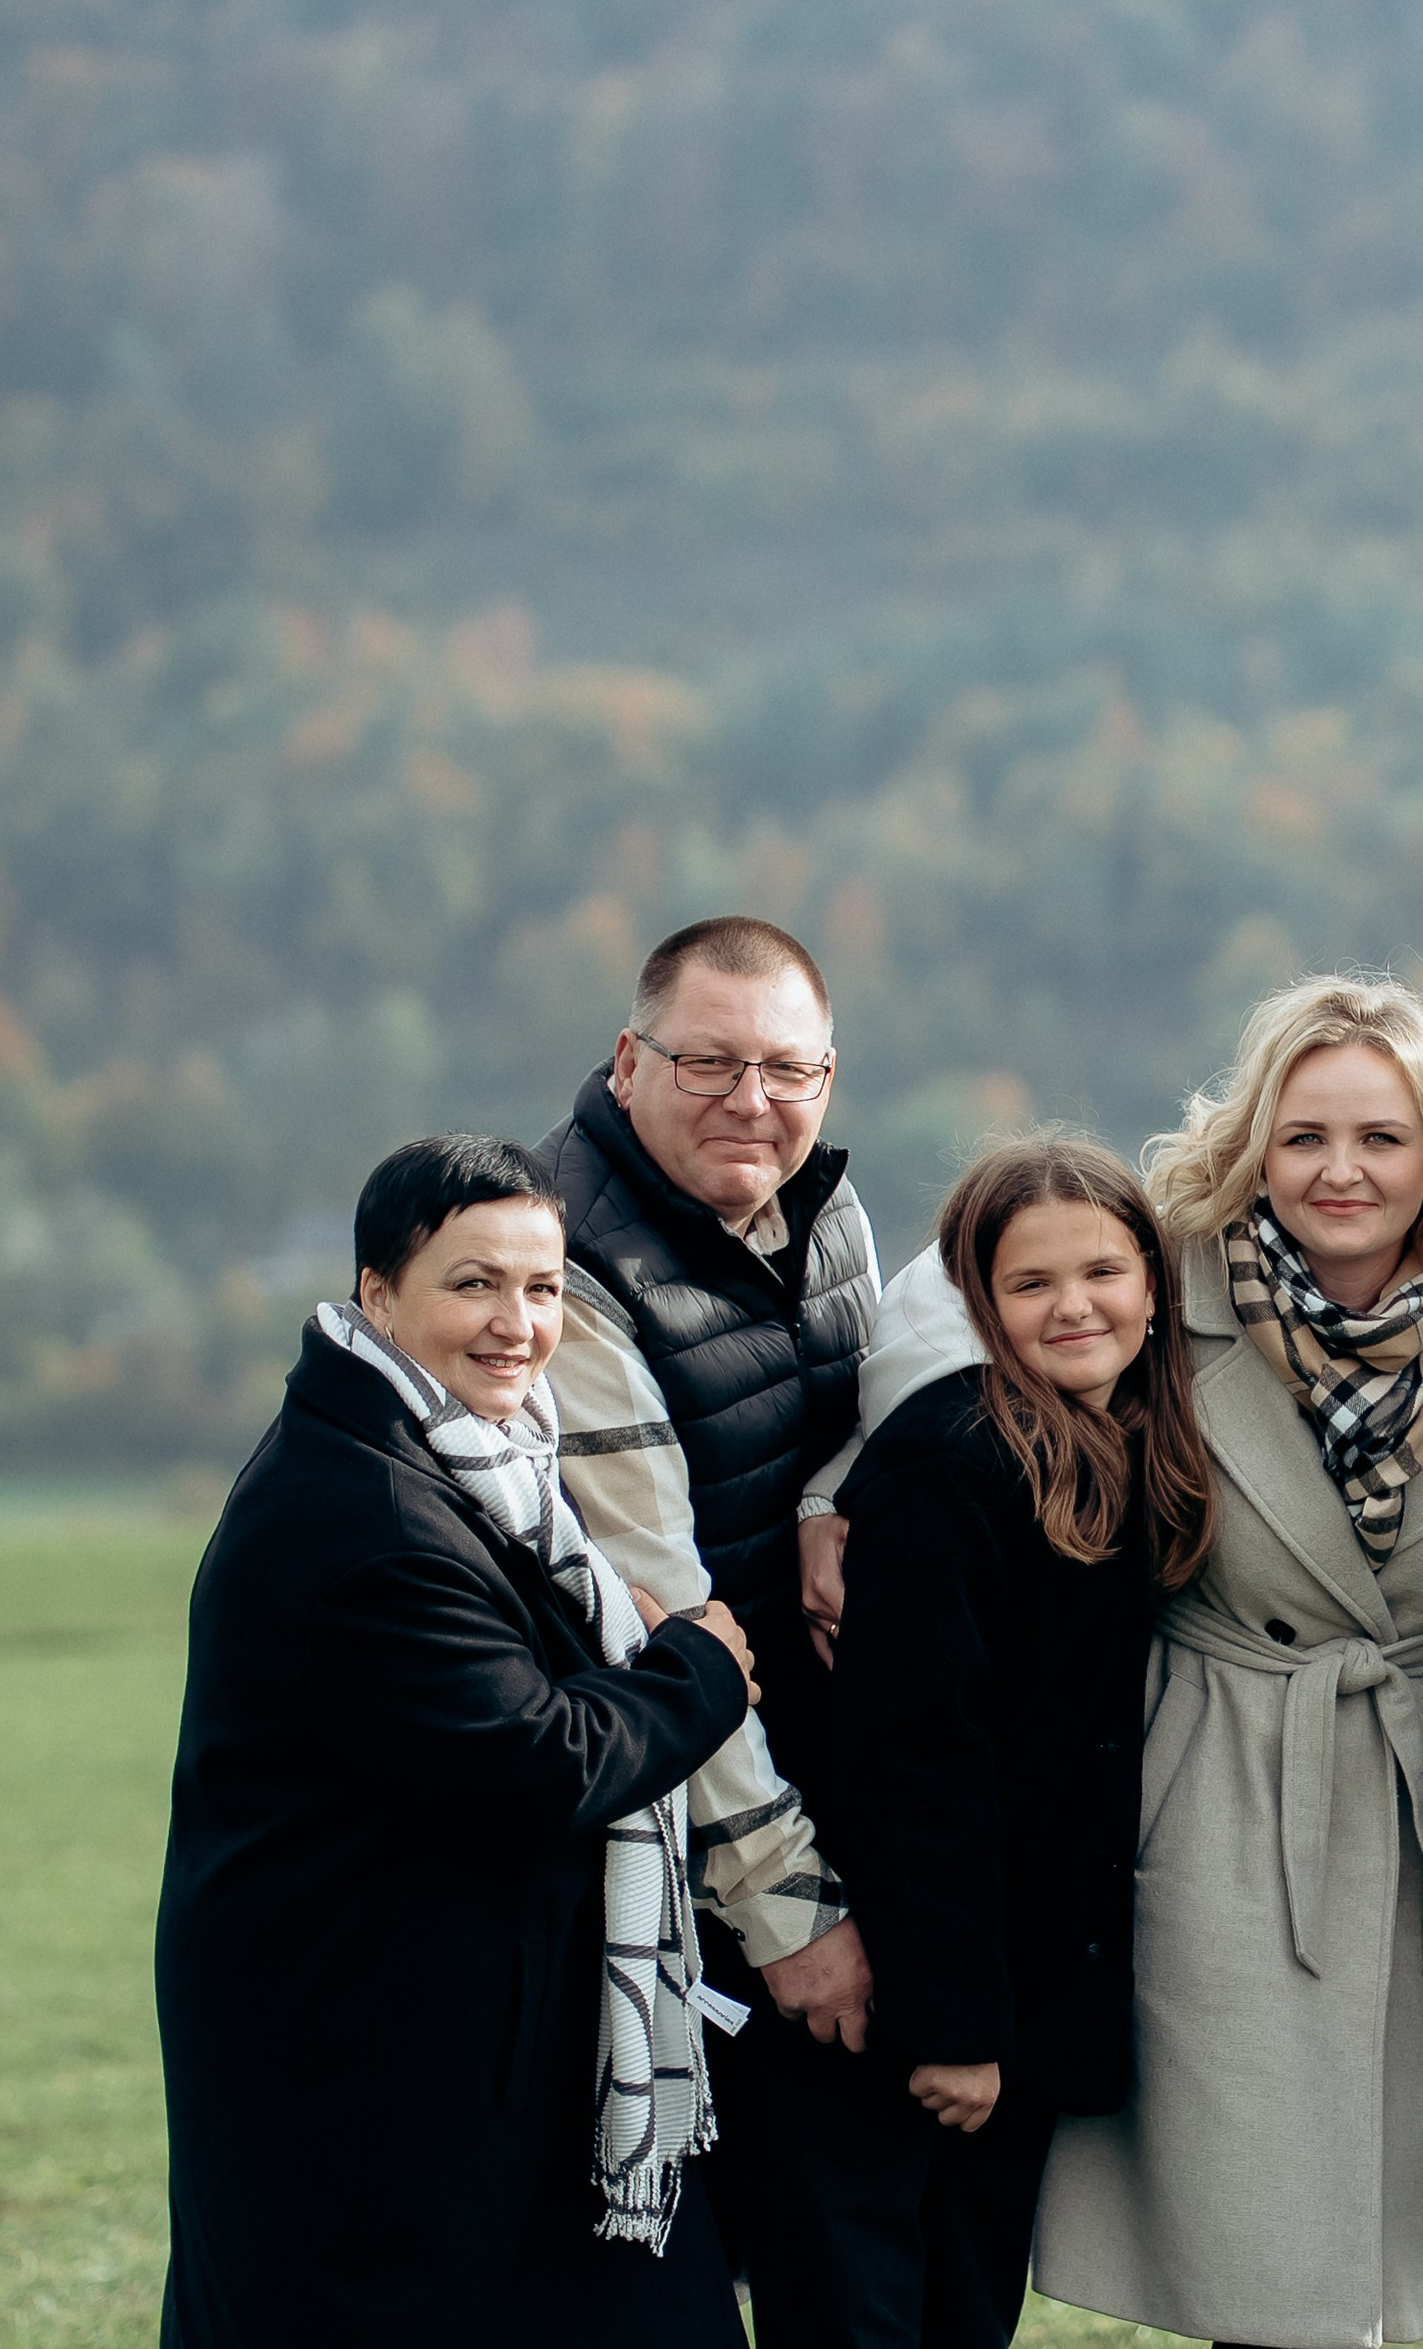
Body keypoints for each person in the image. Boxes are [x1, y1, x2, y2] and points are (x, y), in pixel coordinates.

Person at [157, 1136, 761, 2349]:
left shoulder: (478, 1465)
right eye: (472, 1283)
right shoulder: (372, 1516)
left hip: (440, 2044)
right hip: (360, 2069)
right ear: (379, 1292)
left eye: (541, 1289)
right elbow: (539, 1762)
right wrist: (701, 1669)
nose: (516, 1325)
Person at [1016, 975, 1423, 2349]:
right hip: (1222, 1782)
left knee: (1371, 2241)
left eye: (1381, 1136)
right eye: (1305, 1135)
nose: (1341, 1171)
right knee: (1263, 2251)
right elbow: (944, 1324)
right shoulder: (1153, 1280)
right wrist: (834, 1499)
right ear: (1254, 1141)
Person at [788, 1136, 1218, 2349]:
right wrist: (960, 2028)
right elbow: (918, 1760)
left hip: (1017, 1979)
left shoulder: (1113, 1439)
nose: (1073, 1305)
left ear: (1152, 1282)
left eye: (1102, 1272)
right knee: (916, 2305)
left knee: (968, 2299)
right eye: (1029, 1285)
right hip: (933, 2000)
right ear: (979, 1302)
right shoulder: (953, 1461)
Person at [531, 915, 884, 2324]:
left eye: (789, 1069)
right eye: (710, 1061)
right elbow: (662, 1624)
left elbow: (895, 1402)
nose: (755, 1099)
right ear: (629, 1062)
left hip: (819, 1806)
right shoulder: (570, 1266)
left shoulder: (824, 1208)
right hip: (664, 1867)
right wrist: (789, 1913)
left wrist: (834, 1488)